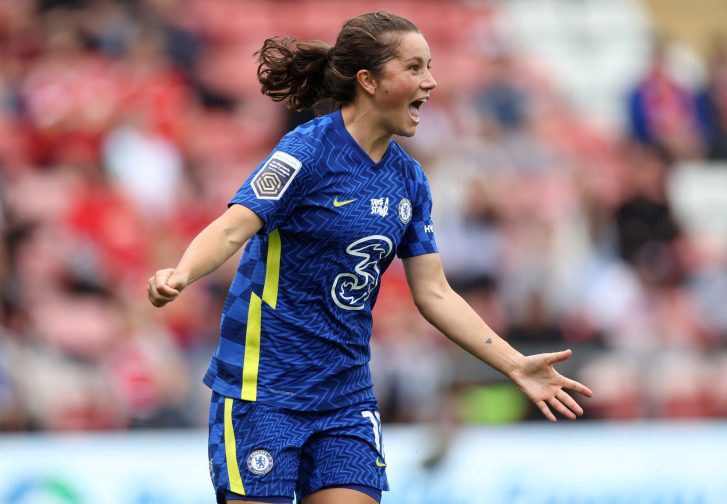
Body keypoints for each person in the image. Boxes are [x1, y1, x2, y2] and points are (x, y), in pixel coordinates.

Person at [147, 11, 592, 504]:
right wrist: (182, 272)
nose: (431, 81)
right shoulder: (306, 152)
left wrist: (515, 364)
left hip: (346, 398)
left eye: (430, 67)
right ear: (369, 80)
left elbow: (434, 292)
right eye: (414, 67)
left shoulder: (409, 179)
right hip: (264, 389)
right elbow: (234, 226)